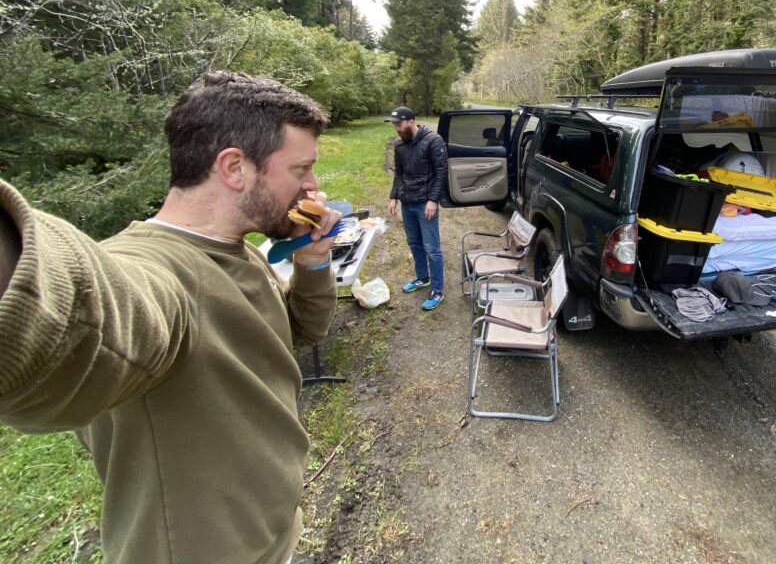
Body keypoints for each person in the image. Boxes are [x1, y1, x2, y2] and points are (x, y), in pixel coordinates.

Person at [0, 71, 343, 564]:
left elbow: (293, 334)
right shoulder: (155, 273)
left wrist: (312, 263)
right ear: (234, 168)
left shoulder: (241, 252)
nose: (313, 187)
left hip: (270, 535)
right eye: (301, 169)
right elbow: (90, 318)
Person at [385, 105, 448, 310]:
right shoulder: (400, 146)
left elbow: (441, 173)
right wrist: (394, 197)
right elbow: (399, 174)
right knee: (414, 243)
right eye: (394, 125)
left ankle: (437, 290)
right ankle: (423, 277)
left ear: (411, 120)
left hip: (425, 204)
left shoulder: (433, 141)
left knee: (432, 248)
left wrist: (433, 200)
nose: (396, 128)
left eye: (399, 124)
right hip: (407, 202)